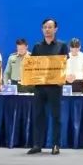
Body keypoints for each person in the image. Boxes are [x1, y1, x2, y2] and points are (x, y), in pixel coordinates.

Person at [28, 17, 69, 155]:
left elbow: (65, 65)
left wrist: (63, 78)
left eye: (50, 27)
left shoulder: (62, 46)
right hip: (40, 86)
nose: (47, 29)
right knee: (38, 115)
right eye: (45, 27)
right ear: (42, 29)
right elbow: (32, 66)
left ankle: (55, 144)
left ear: (55, 29)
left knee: (56, 116)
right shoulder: (37, 46)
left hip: (55, 86)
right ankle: (37, 144)